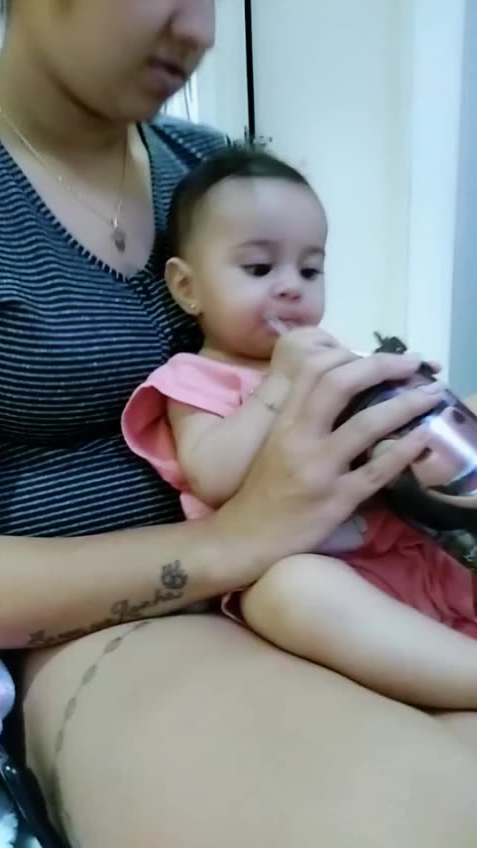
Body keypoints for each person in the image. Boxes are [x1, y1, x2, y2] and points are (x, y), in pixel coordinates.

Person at [0, 2, 476, 846]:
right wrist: (238, 542)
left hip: (363, 555)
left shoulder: (211, 170)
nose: (201, 29)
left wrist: (407, 437)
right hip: (110, 617)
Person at [122, 145, 477, 710]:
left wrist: (408, 403)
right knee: (287, 592)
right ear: (188, 288)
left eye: (310, 270)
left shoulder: (331, 360)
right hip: (314, 573)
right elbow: (213, 476)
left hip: (407, 551)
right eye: (259, 269)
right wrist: (280, 384)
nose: (292, 286)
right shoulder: (192, 379)